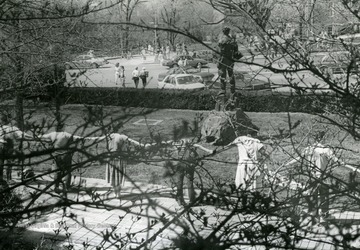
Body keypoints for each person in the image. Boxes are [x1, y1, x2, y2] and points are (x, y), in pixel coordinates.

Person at [283, 133, 344, 224]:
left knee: (313, 195)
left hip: (311, 176)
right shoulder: (326, 150)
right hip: (323, 177)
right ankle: (324, 215)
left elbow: (299, 158)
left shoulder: (309, 149)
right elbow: (336, 160)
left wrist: (287, 164)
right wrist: (341, 162)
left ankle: (314, 214)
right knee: (323, 196)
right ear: (323, 138)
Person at [87, 130, 149, 197]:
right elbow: (132, 142)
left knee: (113, 175)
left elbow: (95, 139)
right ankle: (118, 193)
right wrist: (143, 145)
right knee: (118, 176)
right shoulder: (121, 136)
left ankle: (115, 192)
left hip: (111, 159)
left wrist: (80, 138)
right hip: (119, 159)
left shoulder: (109, 136)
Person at [157, 138, 213, 205]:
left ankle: (181, 201)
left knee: (180, 183)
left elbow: (169, 143)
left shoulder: (178, 146)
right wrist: (209, 150)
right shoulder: (190, 149)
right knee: (189, 183)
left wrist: (163, 142)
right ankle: (191, 201)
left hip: (180, 166)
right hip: (188, 166)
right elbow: (198, 147)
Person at [0, 115, 33, 181]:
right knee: (9, 163)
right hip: (8, 146)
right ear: (7, 121)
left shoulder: (1, 128)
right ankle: (8, 179)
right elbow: (22, 134)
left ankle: (1, 179)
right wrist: (32, 137)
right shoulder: (12, 128)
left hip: (0, 145)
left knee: (1, 163)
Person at [217, 26, 240, 101]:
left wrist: (218, 60)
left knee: (222, 75)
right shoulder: (232, 40)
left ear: (223, 31)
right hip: (230, 60)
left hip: (224, 60)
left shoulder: (222, 39)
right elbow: (236, 50)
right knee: (231, 74)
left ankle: (223, 91)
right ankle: (232, 91)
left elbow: (219, 51)